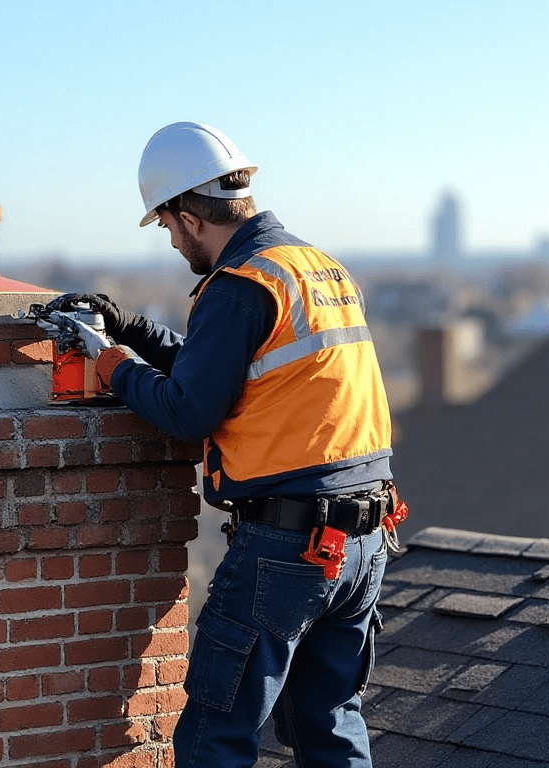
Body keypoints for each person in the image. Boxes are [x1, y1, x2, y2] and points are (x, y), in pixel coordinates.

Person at [51, 122, 398, 768]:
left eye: (168, 228)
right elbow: (230, 370)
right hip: (362, 542)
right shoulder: (312, 266)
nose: (174, 242)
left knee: (216, 735)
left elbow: (188, 410)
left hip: (289, 549)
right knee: (329, 724)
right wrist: (133, 329)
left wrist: (108, 363)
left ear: (189, 217)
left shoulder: (238, 284)